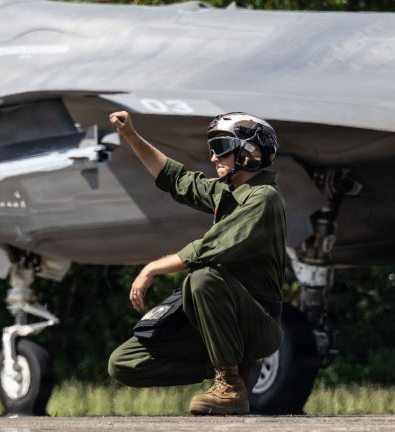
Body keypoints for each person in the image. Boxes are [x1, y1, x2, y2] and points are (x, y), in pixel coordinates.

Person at [106, 110, 286, 415]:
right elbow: (176, 179)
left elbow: (208, 250)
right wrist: (131, 136)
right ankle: (231, 367)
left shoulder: (264, 198)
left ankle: (229, 385)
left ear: (247, 153)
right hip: (219, 324)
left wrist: (152, 268)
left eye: (221, 148)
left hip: (257, 323)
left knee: (202, 278)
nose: (214, 157)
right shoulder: (227, 192)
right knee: (123, 362)